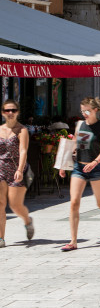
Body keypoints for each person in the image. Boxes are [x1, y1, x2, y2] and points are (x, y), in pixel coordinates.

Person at [59, 97, 100, 251]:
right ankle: (73, 241)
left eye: (87, 111)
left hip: (96, 169)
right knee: (74, 202)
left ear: (95, 110)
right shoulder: (79, 125)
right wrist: (63, 165)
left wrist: (94, 163)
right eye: (82, 110)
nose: (84, 113)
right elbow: (73, 146)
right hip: (79, 168)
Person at [0, 100, 34, 247]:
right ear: (3, 113)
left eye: (13, 110)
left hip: (16, 170)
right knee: (1, 204)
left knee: (15, 205)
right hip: (1, 169)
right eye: (7, 110)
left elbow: (23, 150)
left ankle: (27, 221)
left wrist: (20, 169)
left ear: (18, 112)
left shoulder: (22, 130)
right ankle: (1, 238)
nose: (10, 113)